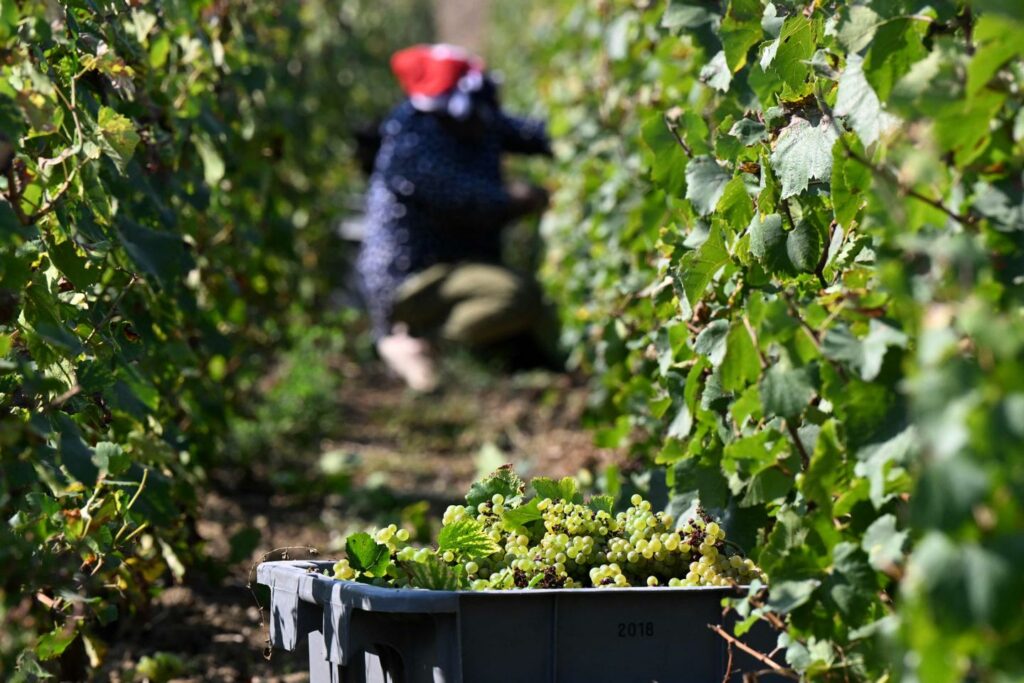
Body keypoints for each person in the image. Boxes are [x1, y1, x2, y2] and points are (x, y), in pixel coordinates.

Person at [356, 44, 557, 392]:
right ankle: (413, 338)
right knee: (517, 297)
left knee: (516, 303)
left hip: (453, 268)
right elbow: (467, 200)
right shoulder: (413, 139)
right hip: (411, 278)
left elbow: (532, 134)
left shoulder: (474, 118)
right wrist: (518, 198)